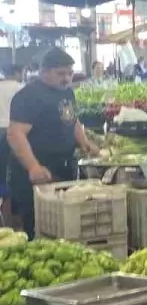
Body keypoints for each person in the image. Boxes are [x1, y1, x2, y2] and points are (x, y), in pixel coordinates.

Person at [7, 49, 99, 237]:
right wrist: (33, 167)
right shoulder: (29, 96)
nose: (67, 78)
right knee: (39, 228)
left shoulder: (67, 93)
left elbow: (72, 120)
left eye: (70, 73)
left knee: (63, 226)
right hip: (36, 175)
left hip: (62, 171)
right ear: (44, 72)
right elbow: (15, 134)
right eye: (61, 73)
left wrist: (84, 142)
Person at [0, 65, 23, 196]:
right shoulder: (19, 88)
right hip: (12, 129)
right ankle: (10, 195)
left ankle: (2, 193)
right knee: (12, 164)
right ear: (16, 73)